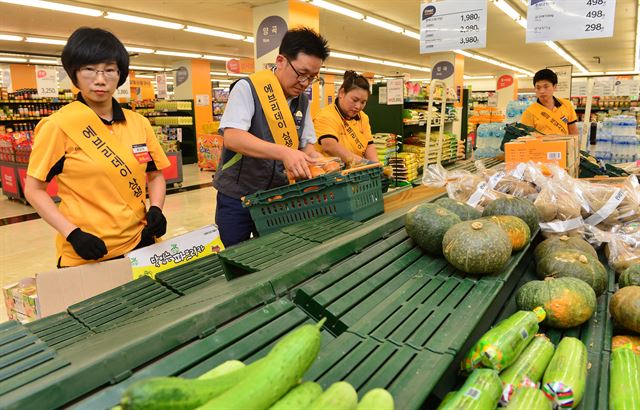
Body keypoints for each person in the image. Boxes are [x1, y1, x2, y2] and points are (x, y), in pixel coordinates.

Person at [24, 27, 171, 267]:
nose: (100, 80)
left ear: (120, 74)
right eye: (90, 69)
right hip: (87, 250)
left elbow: (155, 175)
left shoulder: (139, 123)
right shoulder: (58, 126)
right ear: (75, 73)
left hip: (141, 242)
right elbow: (34, 189)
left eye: (110, 70)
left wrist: (156, 208)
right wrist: (72, 233)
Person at [213, 27, 329, 247]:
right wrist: (285, 152)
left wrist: (317, 161)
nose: (305, 83)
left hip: (277, 197)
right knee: (234, 255)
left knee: (274, 253)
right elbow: (233, 137)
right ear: (281, 60)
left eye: (313, 77)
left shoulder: (301, 101)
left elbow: (307, 145)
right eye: (301, 73)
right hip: (238, 196)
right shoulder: (248, 88)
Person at [313, 71, 378, 165]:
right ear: (342, 93)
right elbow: (329, 146)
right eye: (355, 100)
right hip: (331, 172)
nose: (358, 106)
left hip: (355, 171)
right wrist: (363, 162)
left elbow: (369, 145)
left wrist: (376, 165)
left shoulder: (363, 117)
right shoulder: (326, 116)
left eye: (363, 102)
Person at [520, 68, 578, 135]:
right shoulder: (529, 112)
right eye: (538, 87)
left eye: (546, 86)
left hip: (564, 145)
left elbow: (573, 131)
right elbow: (525, 139)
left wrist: (576, 145)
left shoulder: (566, 104)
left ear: (555, 87)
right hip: (540, 145)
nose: (542, 91)